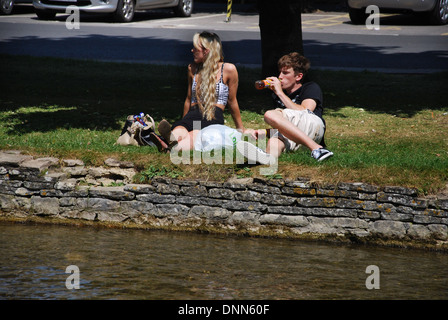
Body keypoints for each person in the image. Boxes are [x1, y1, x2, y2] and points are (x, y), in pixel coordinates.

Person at [150, 31, 253, 152]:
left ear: (206, 51)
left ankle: (169, 146)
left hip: (212, 116)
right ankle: (171, 140)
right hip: (192, 114)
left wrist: (241, 129)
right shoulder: (192, 68)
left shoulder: (228, 69)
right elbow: (189, 99)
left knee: (194, 134)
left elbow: (232, 101)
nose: (192, 51)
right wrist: (183, 121)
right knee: (180, 130)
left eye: (195, 48)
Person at [237, 52, 333, 165]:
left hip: (313, 126)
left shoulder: (310, 87)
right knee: (275, 139)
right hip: (300, 138)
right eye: (280, 72)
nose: (280, 77)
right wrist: (262, 132)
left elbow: (306, 111)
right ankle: (268, 158)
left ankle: (317, 148)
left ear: (299, 76)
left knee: (270, 114)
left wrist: (280, 93)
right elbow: (285, 126)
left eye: (285, 73)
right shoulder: (277, 96)